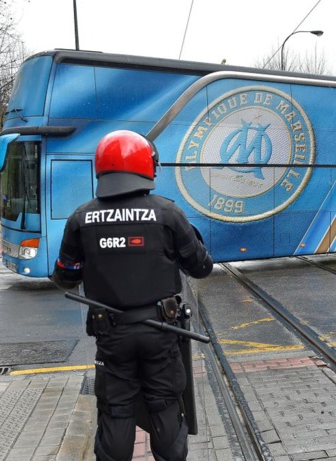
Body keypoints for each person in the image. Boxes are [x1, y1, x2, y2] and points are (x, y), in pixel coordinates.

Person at [52, 130, 213, 461]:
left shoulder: (81, 219)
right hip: (162, 332)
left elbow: (64, 277)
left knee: (116, 409)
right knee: (165, 404)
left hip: (111, 335)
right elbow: (200, 267)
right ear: (146, 167)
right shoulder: (168, 214)